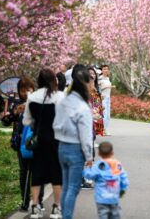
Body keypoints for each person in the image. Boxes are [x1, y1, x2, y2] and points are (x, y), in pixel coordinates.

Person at [23, 68, 65, 219]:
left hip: (39, 139)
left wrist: (37, 125)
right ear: (54, 80)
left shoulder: (32, 97)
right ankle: (56, 207)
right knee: (56, 172)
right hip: (56, 140)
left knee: (37, 171)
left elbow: (26, 121)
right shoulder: (60, 96)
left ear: (39, 81)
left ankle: (34, 207)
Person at [53, 66, 94, 219]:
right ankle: (66, 216)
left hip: (62, 147)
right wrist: (89, 156)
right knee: (73, 187)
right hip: (76, 150)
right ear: (84, 85)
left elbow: (56, 124)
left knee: (66, 186)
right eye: (91, 84)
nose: (92, 87)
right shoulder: (83, 107)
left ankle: (64, 214)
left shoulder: (63, 101)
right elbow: (85, 136)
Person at [2, 76, 45, 212]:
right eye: (22, 89)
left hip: (37, 143)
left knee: (38, 173)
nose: (26, 92)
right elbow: (5, 122)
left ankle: (39, 201)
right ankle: (25, 202)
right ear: (19, 91)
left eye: (29, 88)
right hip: (21, 145)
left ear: (33, 89)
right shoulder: (16, 104)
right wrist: (16, 112)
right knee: (24, 173)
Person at [83, 141, 129, 219]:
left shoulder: (98, 166)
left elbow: (89, 175)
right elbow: (124, 179)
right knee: (115, 215)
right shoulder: (117, 165)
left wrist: (87, 169)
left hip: (101, 198)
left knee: (103, 215)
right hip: (114, 197)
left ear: (99, 153)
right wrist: (122, 190)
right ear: (112, 153)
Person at [89, 67, 104, 137]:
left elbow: (98, 99)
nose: (92, 75)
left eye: (93, 74)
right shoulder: (87, 86)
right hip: (92, 110)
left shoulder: (97, 86)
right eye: (90, 73)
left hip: (98, 109)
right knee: (91, 128)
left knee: (97, 129)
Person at [99, 65, 114, 136]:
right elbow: (98, 89)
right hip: (103, 98)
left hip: (108, 98)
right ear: (101, 70)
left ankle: (105, 129)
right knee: (104, 114)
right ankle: (102, 130)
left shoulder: (108, 78)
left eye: (107, 69)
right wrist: (107, 86)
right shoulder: (99, 79)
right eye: (104, 69)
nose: (106, 70)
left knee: (108, 115)